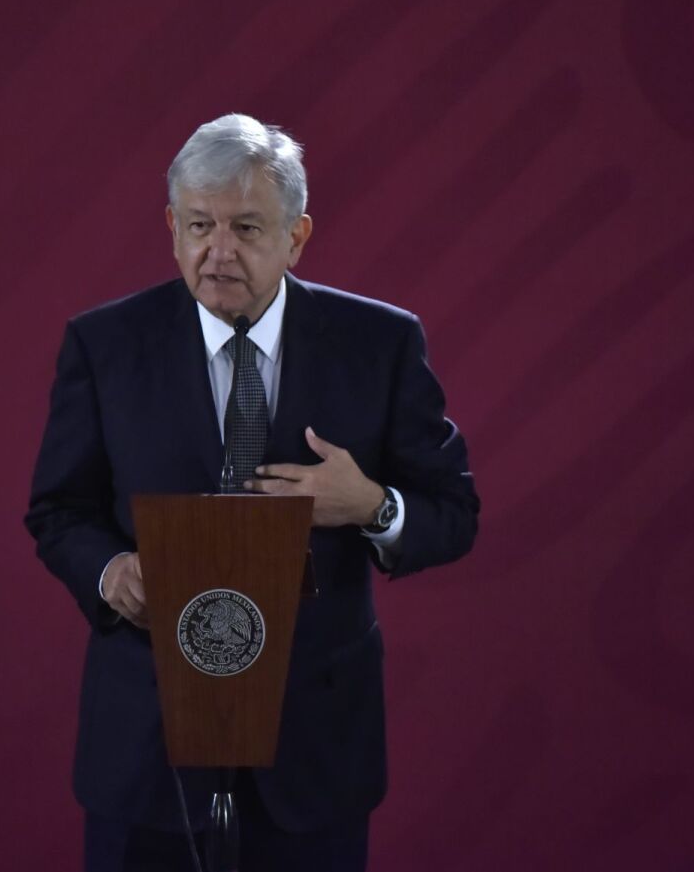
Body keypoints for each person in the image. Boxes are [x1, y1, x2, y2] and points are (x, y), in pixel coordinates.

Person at [26, 114, 479, 871]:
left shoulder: (381, 344)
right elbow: (57, 510)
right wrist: (111, 574)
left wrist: (370, 504)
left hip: (315, 747)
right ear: (173, 226)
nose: (218, 251)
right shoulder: (104, 346)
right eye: (199, 225)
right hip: (148, 739)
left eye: (246, 227)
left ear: (297, 236)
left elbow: (454, 514)